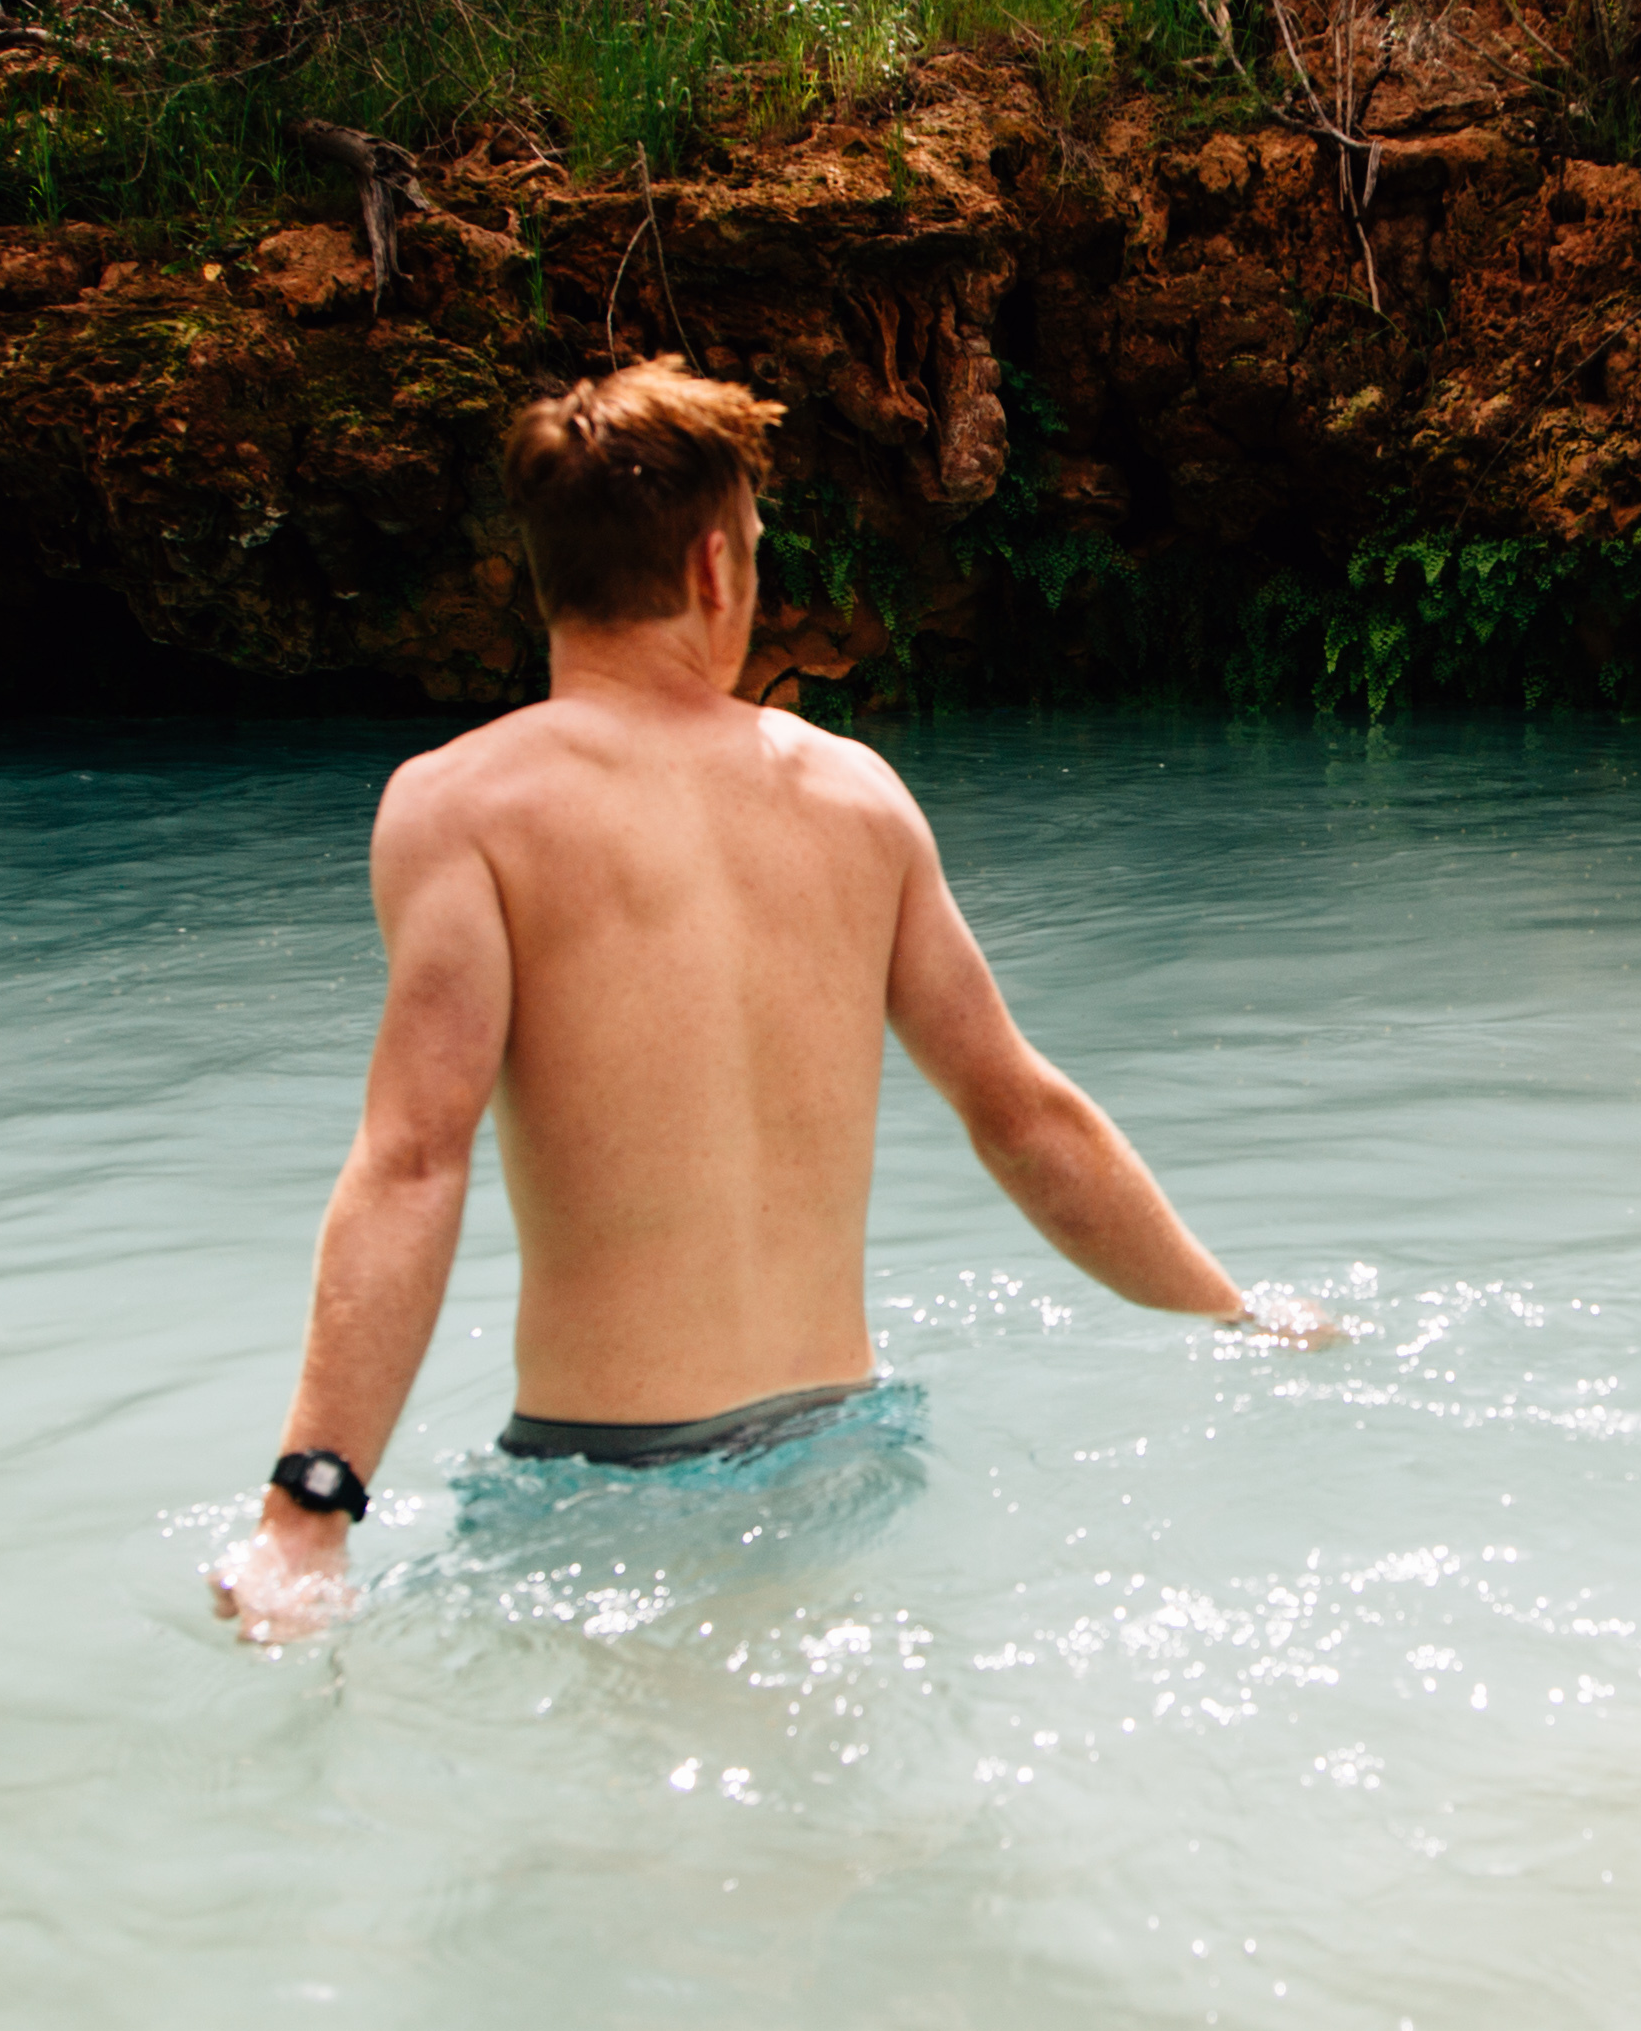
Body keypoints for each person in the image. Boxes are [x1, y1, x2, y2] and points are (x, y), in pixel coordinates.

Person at [217, 358, 1268, 1642]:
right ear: (716, 566)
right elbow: (1021, 1113)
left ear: (545, 571)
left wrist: (307, 1510)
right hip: (848, 1456)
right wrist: (1237, 1312)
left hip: (604, 1490)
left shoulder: (463, 808)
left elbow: (413, 1162)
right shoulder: (857, 799)